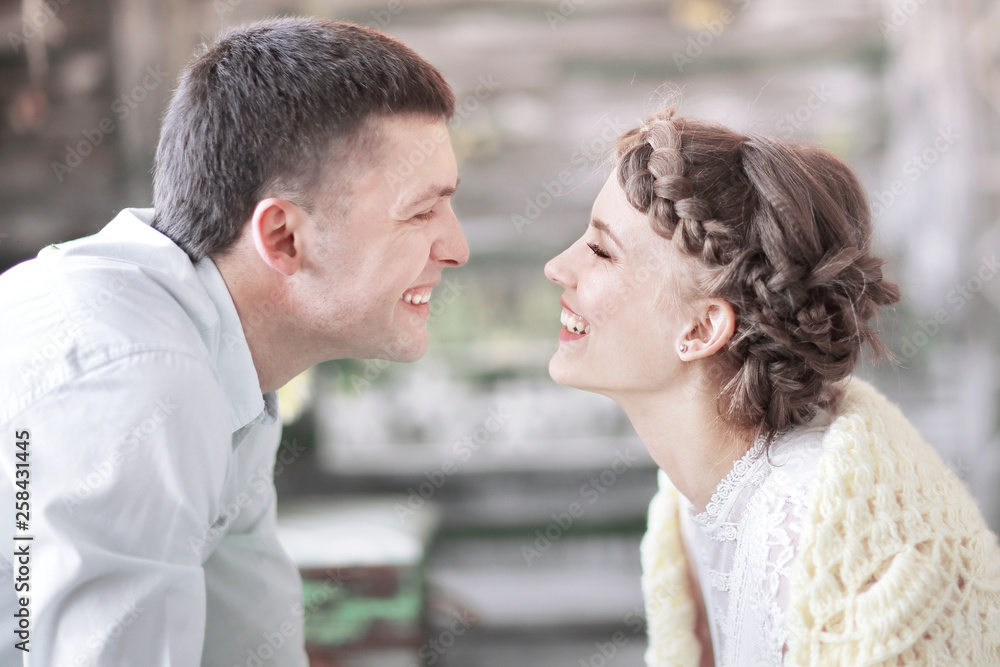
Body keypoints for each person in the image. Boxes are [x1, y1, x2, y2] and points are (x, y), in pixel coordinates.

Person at [0, 17, 467, 666]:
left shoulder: (226, 367)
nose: (457, 247)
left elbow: (249, 641)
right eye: (422, 211)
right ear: (282, 237)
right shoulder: (139, 376)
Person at [544, 107, 1000, 666]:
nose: (555, 267)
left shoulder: (814, 535)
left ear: (701, 329)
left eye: (600, 251)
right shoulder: (696, 501)